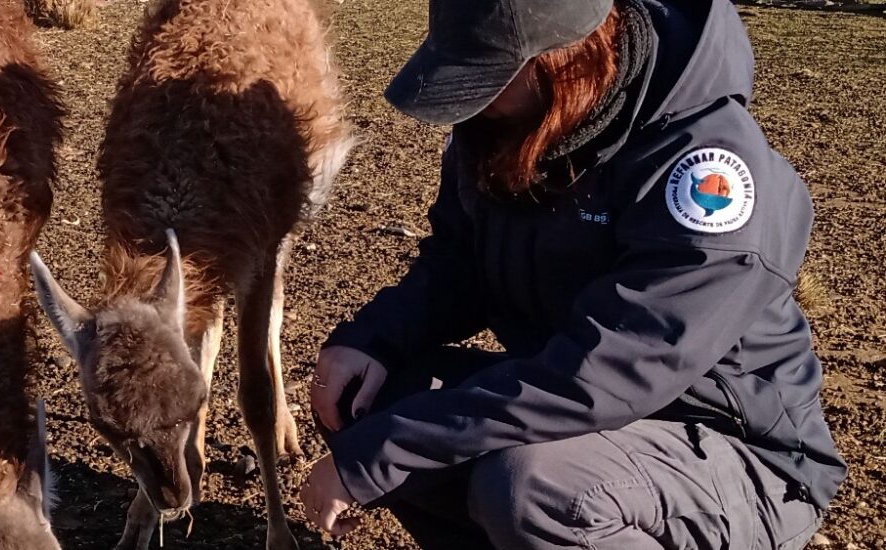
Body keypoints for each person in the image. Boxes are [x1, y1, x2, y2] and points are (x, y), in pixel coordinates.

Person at [297, 0, 847, 548]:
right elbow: (458, 265)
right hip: (588, 418)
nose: (471, 103)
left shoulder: (707, 176)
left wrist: (381, 457)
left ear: (566, 61)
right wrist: (372, 341)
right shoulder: (510, 130)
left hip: (738, 457)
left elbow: (608, 373)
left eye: (487, 78)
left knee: (535, 489)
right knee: (363, 401)